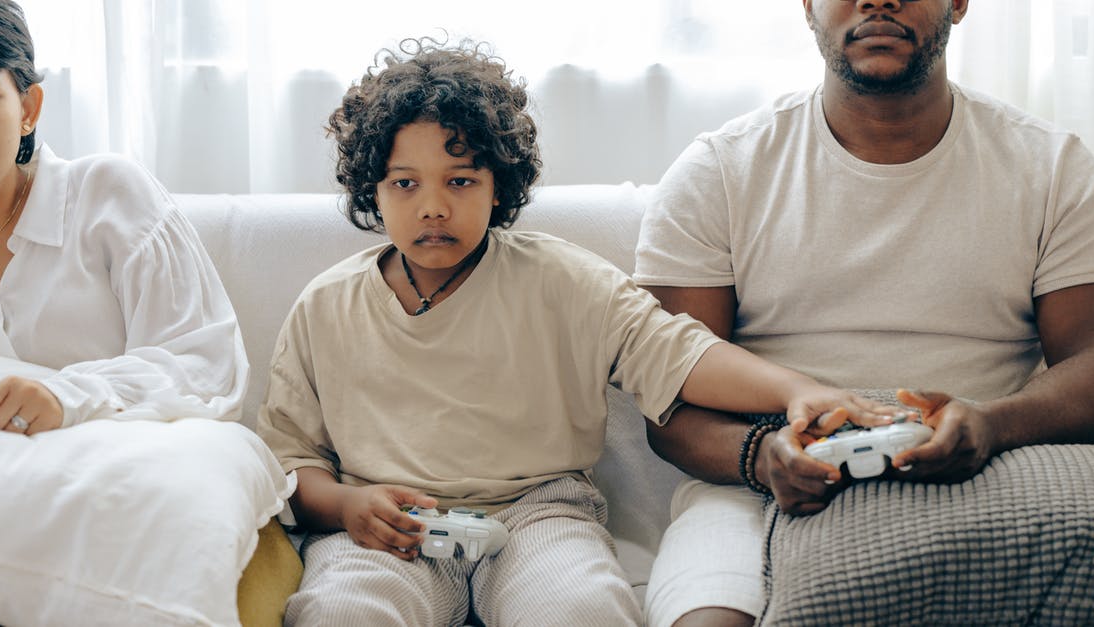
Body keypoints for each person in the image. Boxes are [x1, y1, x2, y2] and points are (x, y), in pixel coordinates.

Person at [256, 37, 899, 627]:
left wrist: (795, 392)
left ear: (498, 186)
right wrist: (345, 507)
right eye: (405, 184)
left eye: (460, 181)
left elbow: (676, 353)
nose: (433, 206)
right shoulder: (326, 306)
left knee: (582, 609)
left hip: (542, 513)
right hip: (387, 528)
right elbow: (291, 462)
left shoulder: (562, 279)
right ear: (373, 188)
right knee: (338, 613)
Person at [636, 0, 1094, 625]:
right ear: (806, 6)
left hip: (997, 459)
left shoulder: (1052, 166)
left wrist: (993, 425)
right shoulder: (717, 171)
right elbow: (669, 402)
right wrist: (762, 455)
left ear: (960, 3)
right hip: (768, 481)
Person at [0, 1, 283, 623]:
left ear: (28, 107)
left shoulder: (106, 193)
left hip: (127, 489)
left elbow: (206, 362)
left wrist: (68, 396)